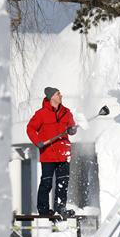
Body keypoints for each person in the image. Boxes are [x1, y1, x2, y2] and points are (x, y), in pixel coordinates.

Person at [26, 87, 78, 219]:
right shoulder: (41, 114)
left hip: (63, 152)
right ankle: (43, 210)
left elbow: (72, 127)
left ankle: (60, 207)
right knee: (46, 182)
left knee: (63, 182)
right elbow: (30, 129)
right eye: (58, 94)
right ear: (51, 97)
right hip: (48, 153)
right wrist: (37, 141)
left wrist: (72, 130)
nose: (61, 95)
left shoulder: (67, 113)